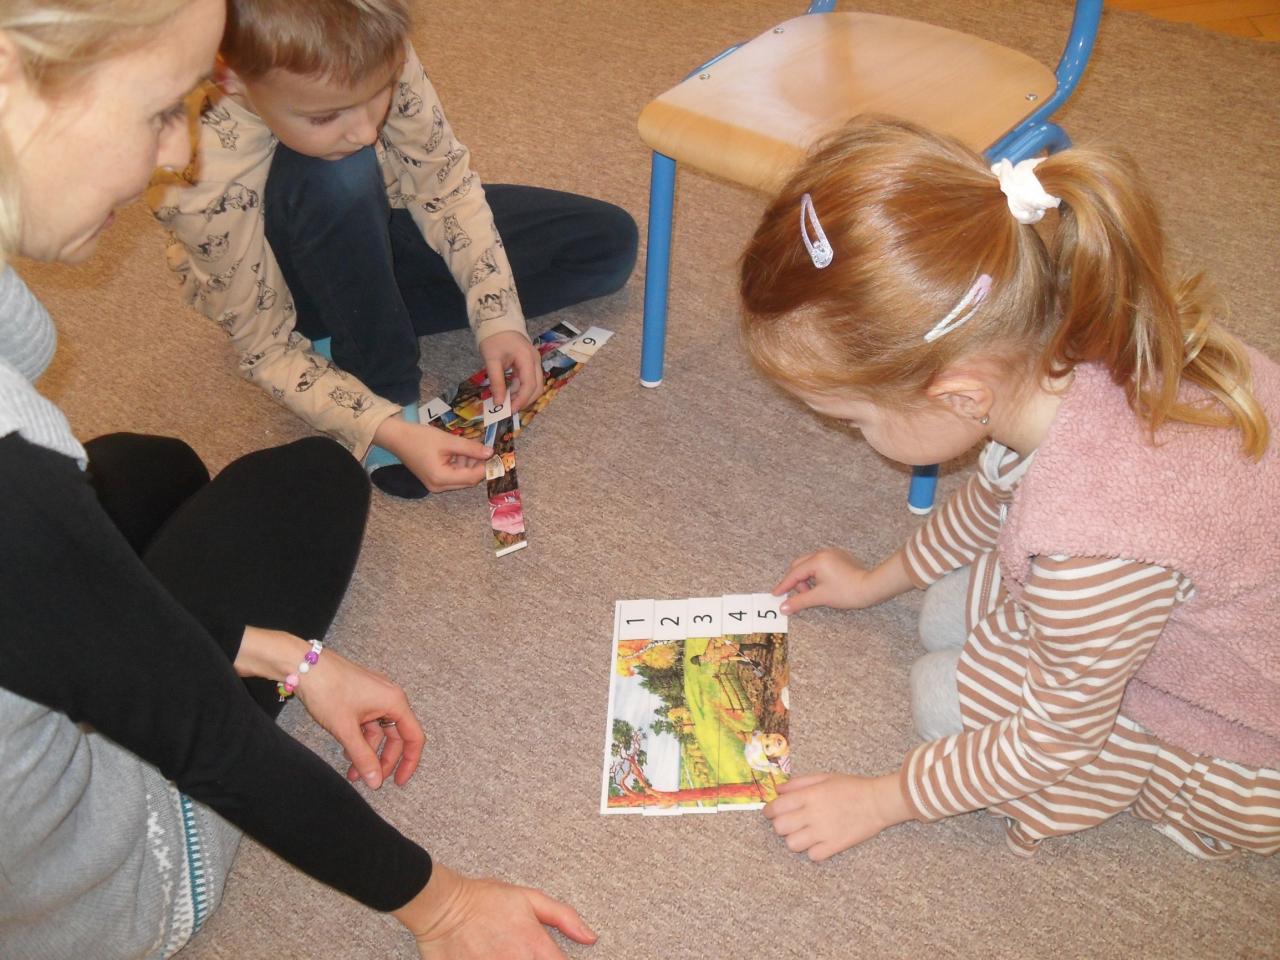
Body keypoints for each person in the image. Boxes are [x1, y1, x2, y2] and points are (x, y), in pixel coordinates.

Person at [0, 2, 596, 957]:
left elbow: (442, 173)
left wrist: (496, 314)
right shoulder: (16, 495)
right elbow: (205, 737)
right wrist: (441, 906)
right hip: (119, 868)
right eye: (161, 111)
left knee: (154, 466)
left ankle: (359, 272)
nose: (175, 151)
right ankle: (362, 336)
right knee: (315, 475)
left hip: (51, 638)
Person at [738, 117, 1280, 862]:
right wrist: (872, 582)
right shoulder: (1058, 338)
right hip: (1189, 581)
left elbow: (1055, 737)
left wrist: (884, 798)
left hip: (1243, 720)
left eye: (853, 421)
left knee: (942, 695)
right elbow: (992, 499)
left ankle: (1175, 775)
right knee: (946, 611)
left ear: (960, 396)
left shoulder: (1091, 542)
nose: (852, 435)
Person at [149, 0, 638, 500]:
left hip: (377, 217)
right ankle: (377, 373)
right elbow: (266, 349)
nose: (366, 132)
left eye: (377, 92)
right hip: (285, 285)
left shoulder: (367, 40)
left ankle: (368, 313)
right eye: (326, 116)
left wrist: (497, 316)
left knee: (603, 245)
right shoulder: (195, 178)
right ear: (229, 76)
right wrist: (383, 426)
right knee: (339, 173)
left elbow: (445, 187)